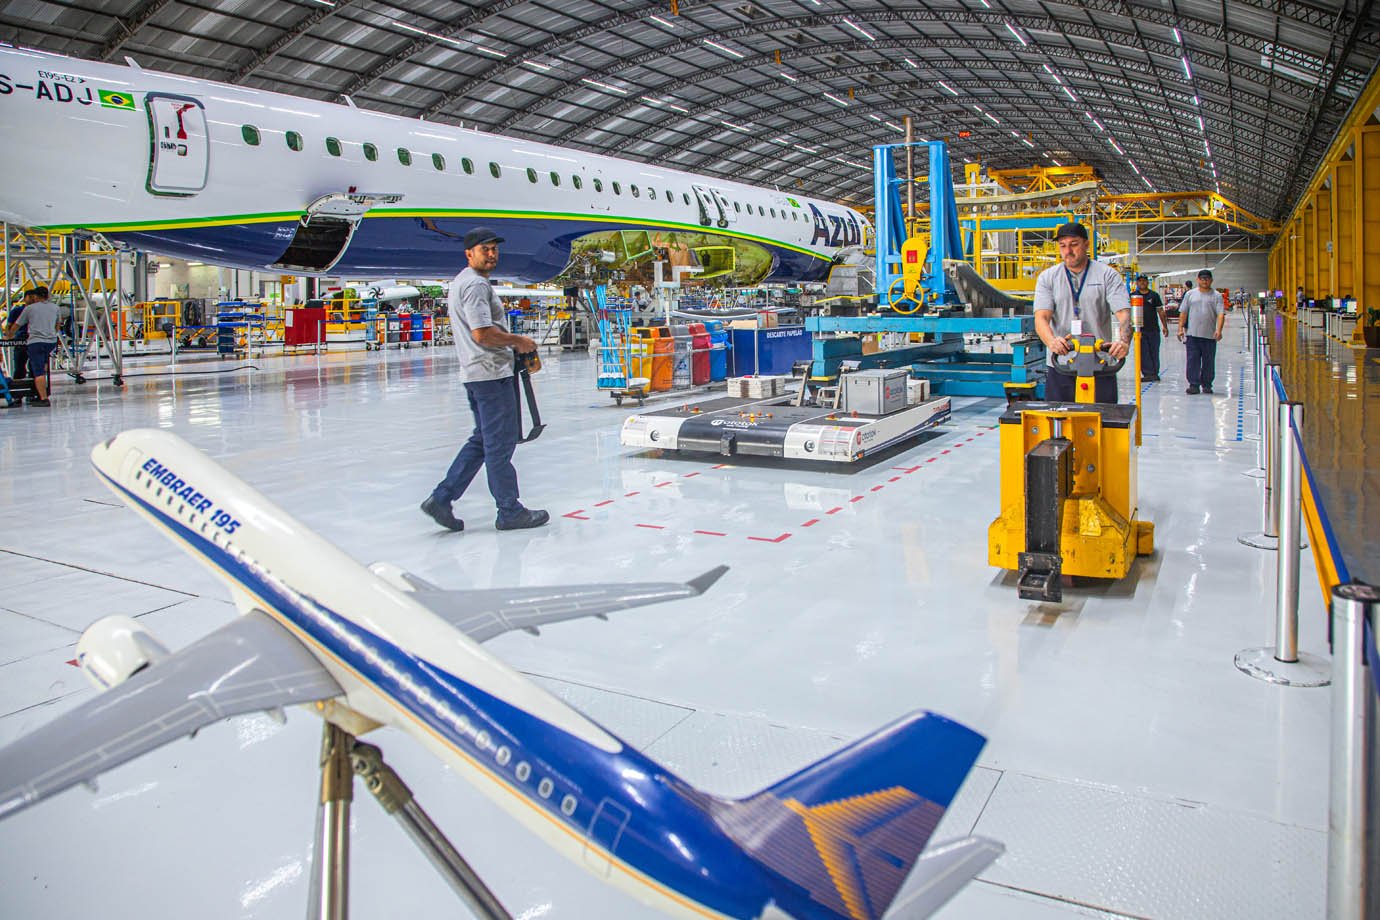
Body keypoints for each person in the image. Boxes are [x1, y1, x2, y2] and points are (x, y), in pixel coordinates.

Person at [421, 228, 548, 532]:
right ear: (469, 254)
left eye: (494, 249)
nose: (491, 255)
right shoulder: (475, 286)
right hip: (490, 374)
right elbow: (483, 333)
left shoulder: (462, 282)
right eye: (484, 250)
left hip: (476, 374)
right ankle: (509, 510)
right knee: (499, 446)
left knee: (482, 441)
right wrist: (518, 341)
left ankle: (442, 498)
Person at [1033, 222, 1132, 403]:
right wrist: (1051, 342)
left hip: (1100, 364)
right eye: (1063, 246)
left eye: (1074, 244)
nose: (1068, 251)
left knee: (1103, 423)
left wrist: (1124, 342)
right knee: (1059, 425)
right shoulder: (1047, 278)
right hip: (1062, 364)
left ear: (1086, 244)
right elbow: (1041, 318)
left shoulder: (1107, 275)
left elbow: (1123, 313)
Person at [5, 287, 58, 407]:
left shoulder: (29, 309)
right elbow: (57, 326)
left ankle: (43, 398)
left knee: (37, 370)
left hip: (35, 342)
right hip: (50, 342)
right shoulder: (55, 308)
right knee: (36, 368)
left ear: (35, 296)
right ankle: (37, 394)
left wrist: (8, 336)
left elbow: (16, 325)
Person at [1177, 269, 1226, 395]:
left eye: (1207, 279)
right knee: (1192, 360)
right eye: (1202, 278)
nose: (1205, 281)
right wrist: (1180, 328)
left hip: (1209, 336)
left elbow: (1221, 314)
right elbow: (1183, 312)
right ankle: (1193, 384)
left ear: (1211, 280)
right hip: (1192, 334)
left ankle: (1207, 384)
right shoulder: (1190, 294)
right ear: (1198, 280)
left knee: (1208, 361)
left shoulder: (1217, 296)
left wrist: (1219, 330)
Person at [1135, 274, 1168, 382]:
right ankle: (1148, 374)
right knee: (1143, 353)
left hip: (1153, 329)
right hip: (1139, 331)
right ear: (1137, 283)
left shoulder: (1154, 296)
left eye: (1144, 281)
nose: (1142, 283)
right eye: (1140, 281)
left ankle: (1154, 373)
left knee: (1154, 351)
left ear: (1147, 282)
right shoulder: (1133, 296)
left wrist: (1165, 326)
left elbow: (1160, 311)